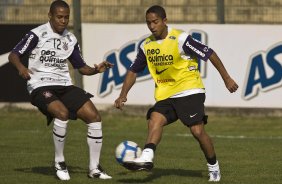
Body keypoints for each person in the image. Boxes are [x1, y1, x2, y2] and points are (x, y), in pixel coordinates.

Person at [114, 5, 238, 182]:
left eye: (155, 22)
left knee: (197, 131)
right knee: (154, 119)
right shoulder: (146, 45)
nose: (151, 26)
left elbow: (209, 53)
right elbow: (133, 71)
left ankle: (214, 167)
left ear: (165, 21)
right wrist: (122, 94)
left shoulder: (181, 38)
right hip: (166, 94)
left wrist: (227, 78)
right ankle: (147, 157)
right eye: (148, 23)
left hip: (189, 90)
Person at [8, 0, 113, 181]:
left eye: (66, 17)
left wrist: (96, 69)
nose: (63, 21)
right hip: (40, 84)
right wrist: (21, 68)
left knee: (94, 116)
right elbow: (13, 55)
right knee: (62, 113)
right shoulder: (36, 34)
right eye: (59, 17)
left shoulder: (70, 39)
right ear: (50, 16)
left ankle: (94, 168)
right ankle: (59, 162)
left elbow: (81, 67)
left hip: (64, 84)